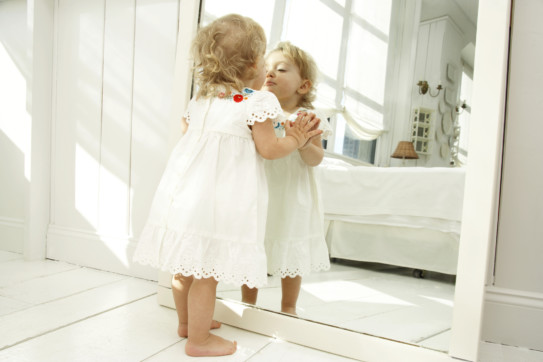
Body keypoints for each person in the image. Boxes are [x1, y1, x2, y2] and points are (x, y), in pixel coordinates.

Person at [133, 16, 322, 357]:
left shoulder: (203, 98)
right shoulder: (256, 103)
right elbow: (269, 149)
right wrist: (295, 137)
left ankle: (187, 324)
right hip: (220, 200)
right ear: (253, 63)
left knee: (184, 267)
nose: (267, 67)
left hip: (182, 194)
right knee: (206, 273)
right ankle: (199, 340)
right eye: (265, 57)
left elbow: (187, 134)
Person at [241, 42, 332, 315]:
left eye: (281, 69)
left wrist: (304, 142)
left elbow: (316, 158)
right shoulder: (256, 111)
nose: (270, 74)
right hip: (262, 189)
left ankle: (289, 306)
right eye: (267, 69)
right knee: (255, 245)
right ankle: (248, 303)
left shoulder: (308, 118)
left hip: (293, 195)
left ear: (303, 86)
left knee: (292, 245)